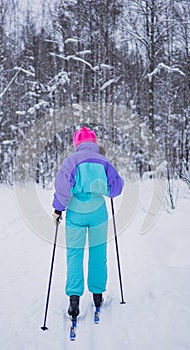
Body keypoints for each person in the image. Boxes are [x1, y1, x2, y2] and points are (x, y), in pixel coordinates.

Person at [52, 126, 124, 318]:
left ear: (77, 144)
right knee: (98, 253)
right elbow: (115, 189)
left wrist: (59, 208)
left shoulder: (71, 160)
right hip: (98, 211)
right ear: (94, 143)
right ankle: (98, 295)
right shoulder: (104, 161)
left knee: (74, 254)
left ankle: (74, 300)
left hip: (76, 210)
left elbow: (62, 187)